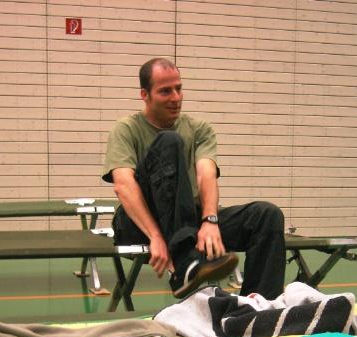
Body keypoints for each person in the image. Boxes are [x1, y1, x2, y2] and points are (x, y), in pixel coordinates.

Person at [102, 57, 286, 299]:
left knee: (266, 215)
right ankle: (185, 265)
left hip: (189, 224)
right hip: (138, 225)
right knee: (169, 141)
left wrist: (210, 220)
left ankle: (258, 308)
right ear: (145, 95)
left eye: (178, 89)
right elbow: (124, 185)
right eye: (165, 91)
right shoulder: (126, 129)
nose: (176, 97)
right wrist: (155, 235)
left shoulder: (199, 129)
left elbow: (206, 174)